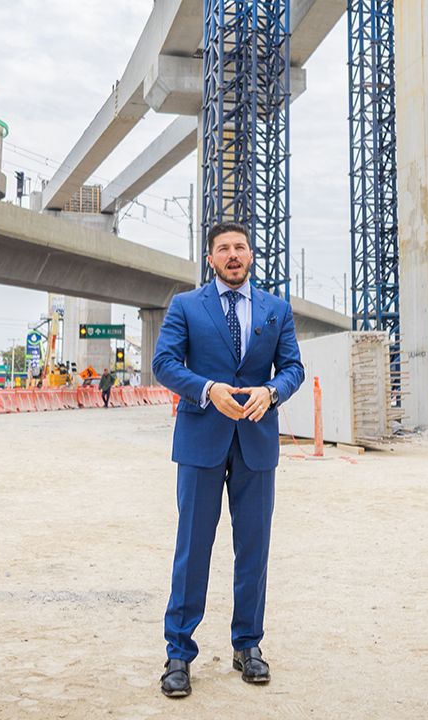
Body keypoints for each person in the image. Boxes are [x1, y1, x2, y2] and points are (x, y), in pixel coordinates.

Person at [151, 221, 305, 698]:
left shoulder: (276, 310)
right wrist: (207, 389)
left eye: (240, 247)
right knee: (192, 549)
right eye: (224, 249)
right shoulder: (185, 306)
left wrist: (272, 391)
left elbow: (294, 367)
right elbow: (164, 363)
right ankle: (178, 653)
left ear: (251, 255)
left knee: (253, 550)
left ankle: (248, 646)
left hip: (257, 443)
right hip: (201, 441)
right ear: (211, 258)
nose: (233, 254)